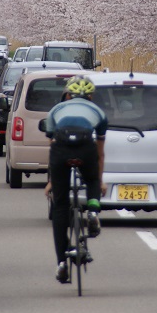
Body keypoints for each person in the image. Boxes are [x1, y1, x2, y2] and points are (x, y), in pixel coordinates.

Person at [43, 75, 108, 283]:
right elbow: (100, 154)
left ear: (68, 95)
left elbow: (52, 145)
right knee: (90, 180)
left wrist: (52, 180)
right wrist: (99, 181)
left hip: (60, 150)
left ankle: (62, 262)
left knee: (61, 206)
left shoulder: (56, 110)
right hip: (86, 149)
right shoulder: (99, 112)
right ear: (90, 96)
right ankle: (92, 210)